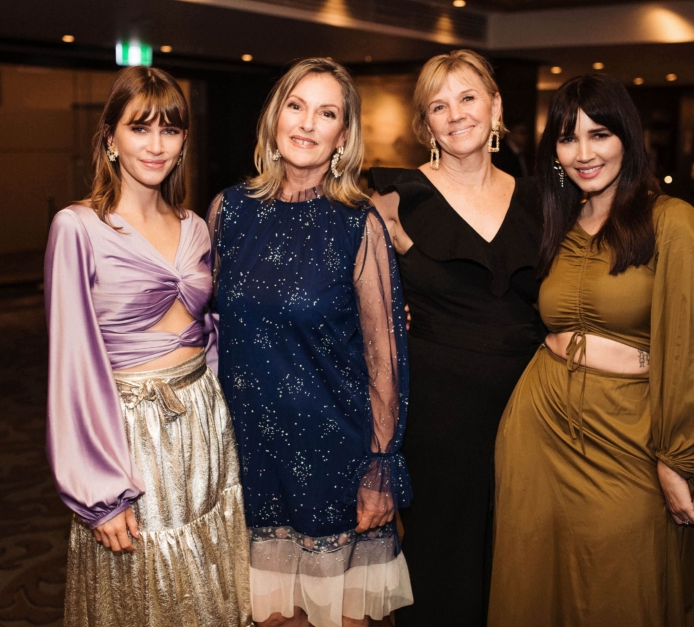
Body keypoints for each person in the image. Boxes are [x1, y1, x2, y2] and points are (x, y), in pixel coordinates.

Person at [489, 73, 694, 626]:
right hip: (539, 427)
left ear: (628, 140)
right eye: (568, 138)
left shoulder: (671, 220)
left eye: (599, 134)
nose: (584, 153)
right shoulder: (554, 223)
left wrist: (677, 456)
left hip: (629, 431)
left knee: (622, 586)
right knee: (536, 582)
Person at [207, 58, 412, 627]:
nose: (306, 124)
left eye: (327, 113)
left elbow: (383, 356)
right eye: (296, 106)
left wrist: (380, 465)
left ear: (342, 136)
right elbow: (207, 329)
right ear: (275, 118)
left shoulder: (358, 223)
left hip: (332, 458)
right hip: (248, 458)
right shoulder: (229, 211)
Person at [44, 66, 251, 627]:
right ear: (110, 137)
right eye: (141, 129)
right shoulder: (77, 227)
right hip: (131, 436)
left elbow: (213, 330)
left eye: (171, 130)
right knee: (147, 593)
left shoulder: (195, 225)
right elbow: (71, 364)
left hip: (205, 423)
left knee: (210, 580)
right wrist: (99, 487)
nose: (157, 146)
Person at [369, 50, 545, 627]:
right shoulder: (395, 199)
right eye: (438, 106)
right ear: (426, 125)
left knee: (521, 555)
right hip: (439, 417)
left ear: (496, 106)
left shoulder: (542, 203)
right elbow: (357, 303)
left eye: (468, 98)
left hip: (531, 408)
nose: (456, 114)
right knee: (442, 561)